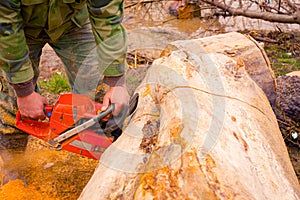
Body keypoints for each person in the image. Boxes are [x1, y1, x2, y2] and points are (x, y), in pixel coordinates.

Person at [0, 0, 130, 184]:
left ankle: (105, 163)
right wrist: (24, 91)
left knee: (101, 92)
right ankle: (13, 171)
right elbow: (5, 25)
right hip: (16, 30)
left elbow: (107, 16)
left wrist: (115, 81)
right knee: (12, 104)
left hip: (72, 23)